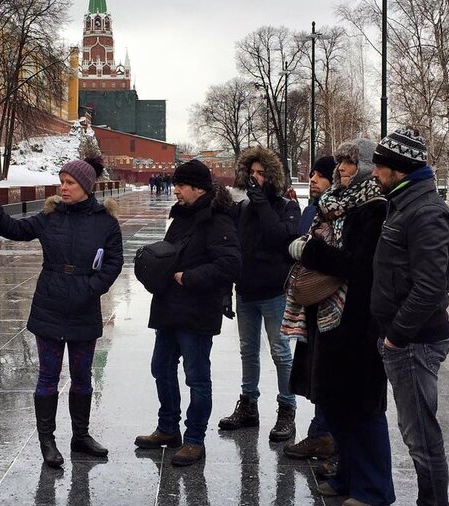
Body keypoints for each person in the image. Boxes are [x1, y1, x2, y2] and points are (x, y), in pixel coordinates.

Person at [0, 157, 124, 469]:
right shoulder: (50, 216)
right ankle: (47, 442)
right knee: (48, 376)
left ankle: (81, 436)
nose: (63, 187)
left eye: (70, 183)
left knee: (82, 375)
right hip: (50, 304)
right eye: (61, 181)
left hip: (85, 307)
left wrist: (90, 289)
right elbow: (13, 229)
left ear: (86, 186)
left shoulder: (105, 221)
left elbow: (114, 261)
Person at [284, 139, 395, 506]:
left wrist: (311, 252)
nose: (342, 168)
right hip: (330, 318)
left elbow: (359, 266)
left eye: (351, 162)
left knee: (363, 407)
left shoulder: (374, 208)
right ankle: (347, 475)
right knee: (337, 404)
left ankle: (375, 488)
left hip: (359, 321)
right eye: (341, 162)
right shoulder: (334, 204)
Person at [371, 128, 449, 506]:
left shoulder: (424, 211)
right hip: (407, 340)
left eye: (379, 165)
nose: (374, 172)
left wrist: (396, 335)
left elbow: (431, 287)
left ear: (398, 168)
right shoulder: (404, 203)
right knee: (417, 436)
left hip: (415, 343)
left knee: (423, 440)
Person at [135, 159, 241, 466]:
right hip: (169, 307)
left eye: (181, 185)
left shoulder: (217, 219)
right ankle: (168, 428)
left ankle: (194, 439)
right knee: (161, 368)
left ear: (198, 188)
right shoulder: (182, 215)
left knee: (197, 378)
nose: (176, 190)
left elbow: (231, 264)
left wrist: (189, 277)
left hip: (197, 311)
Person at [217, 146, 300, 441]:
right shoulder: (243, 209)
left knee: (280, 352)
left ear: (272, 176)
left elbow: (280, 238)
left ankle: (287, 408)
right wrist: (226, 290)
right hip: (246, 290)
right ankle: (248, 404)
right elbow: (232, 250)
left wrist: (263, 204)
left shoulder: (286, 206)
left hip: (274, 292)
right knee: (248, 350)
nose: (255, 178)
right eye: (251, 173)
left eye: (261, 173)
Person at [283, 156, 338, 466]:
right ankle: (321, 432)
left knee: (328, 373)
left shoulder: (338, 213)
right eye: (312, 173)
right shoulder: (312, 210)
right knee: (316, 369)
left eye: (320, 175)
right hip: (312, 302)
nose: (313, 179)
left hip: (331, 303)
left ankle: (327, 436)